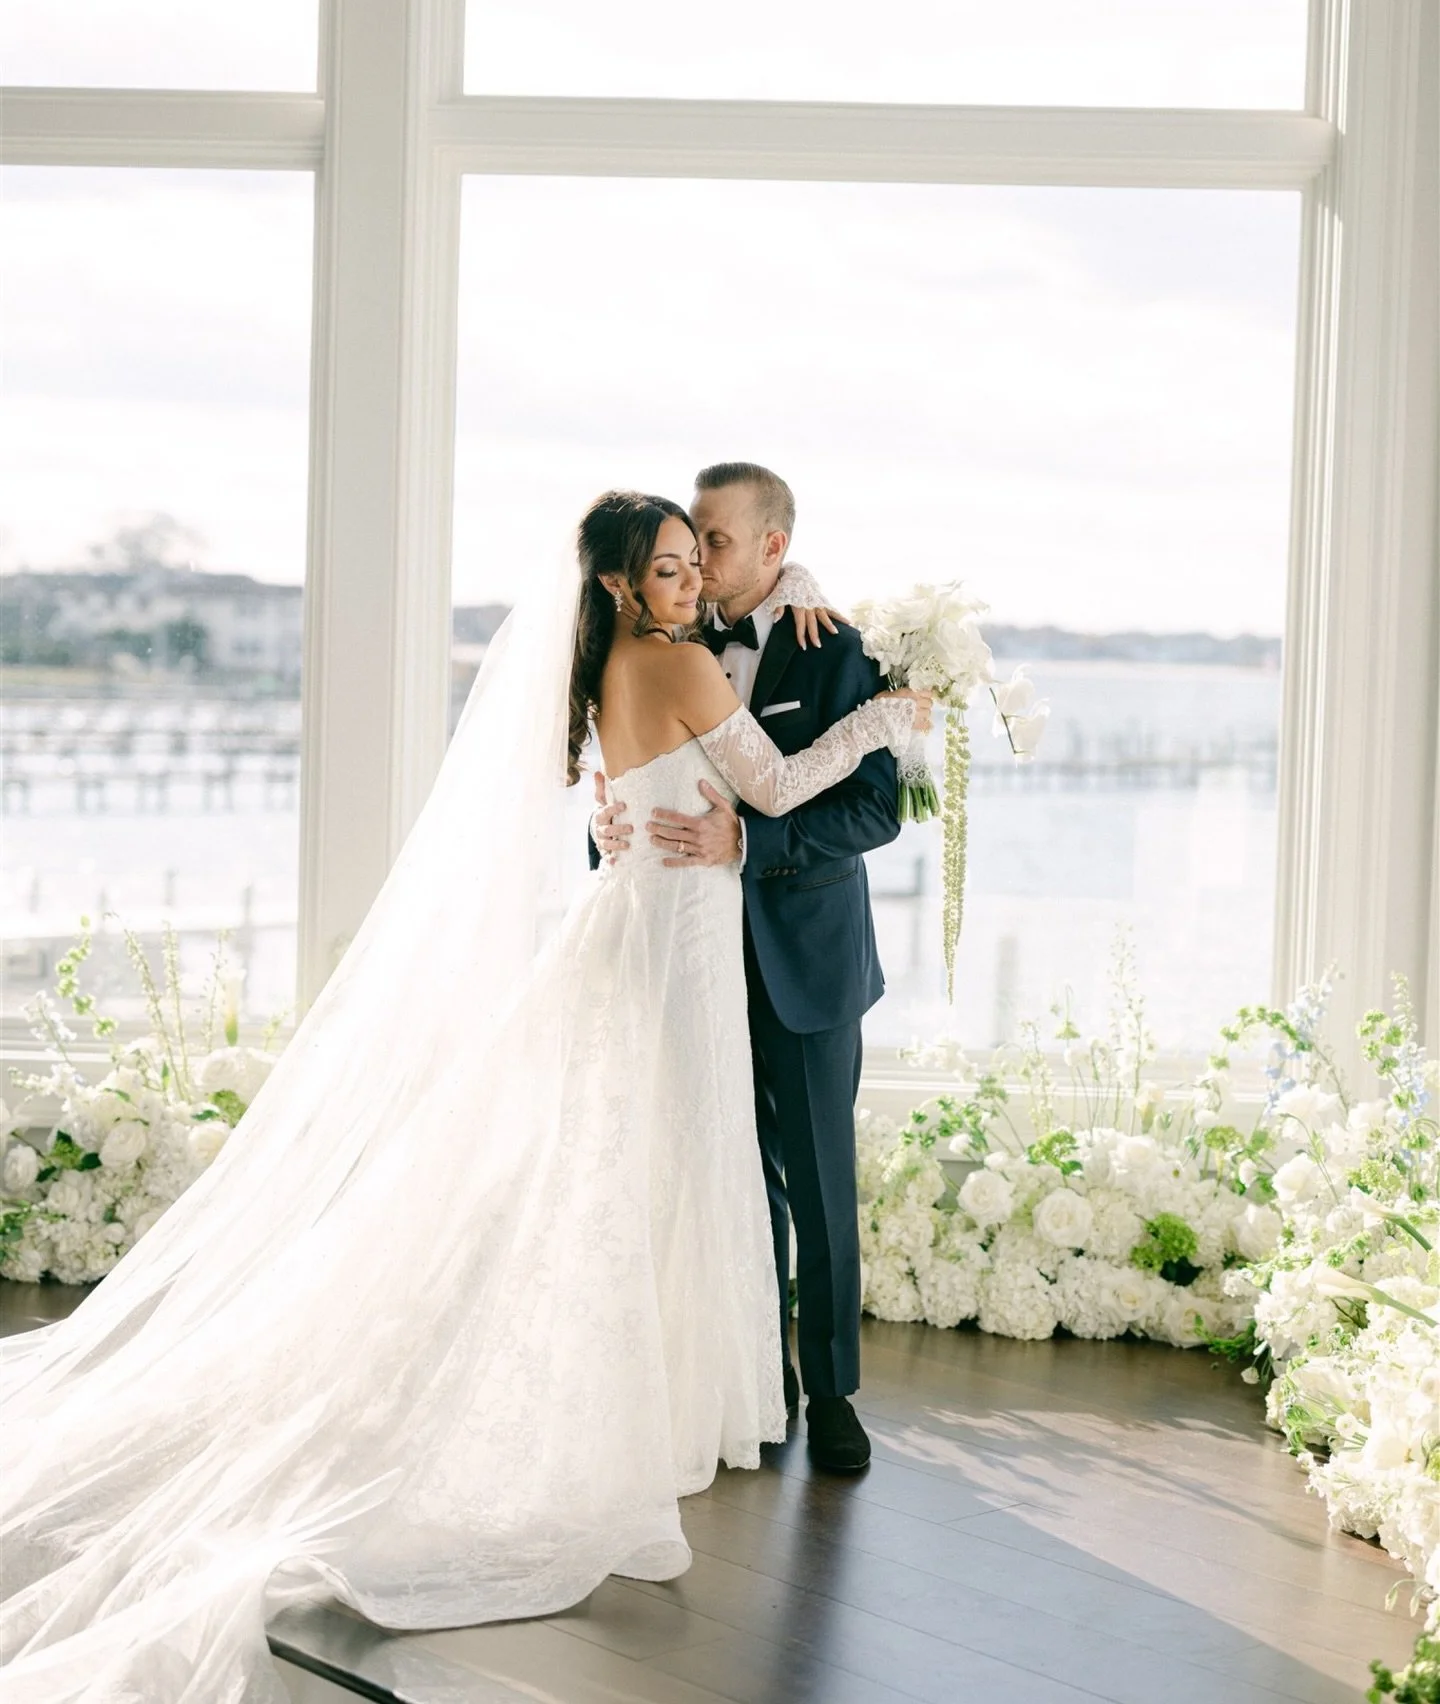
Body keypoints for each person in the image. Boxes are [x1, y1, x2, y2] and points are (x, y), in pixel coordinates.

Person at [0, 490, 928, 1703]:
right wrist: (888, 721)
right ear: (621, 586)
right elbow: (783, 784)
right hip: (681, 939)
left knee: (653, 1158)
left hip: (641, 922)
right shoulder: (681, 664)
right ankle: (683, 1403)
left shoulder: (615, 667)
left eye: (695, 560)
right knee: (684, 1156)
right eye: (669, 565)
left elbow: (653, 785)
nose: (693, 578)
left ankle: (687, 1392)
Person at [593, 462, 899, 1473]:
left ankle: (835, 1394)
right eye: (689, 543)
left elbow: (875, 809)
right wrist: (607, 831)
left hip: (804, 957)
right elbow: (639, 779)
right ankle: (754, 1381)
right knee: (730, 1176)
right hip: (695, 958)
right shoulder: (669, 645)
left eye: (715, 542)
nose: (699, 560)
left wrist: (751, 846)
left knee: (819, 1183)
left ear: (775, 548)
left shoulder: (833, 646)